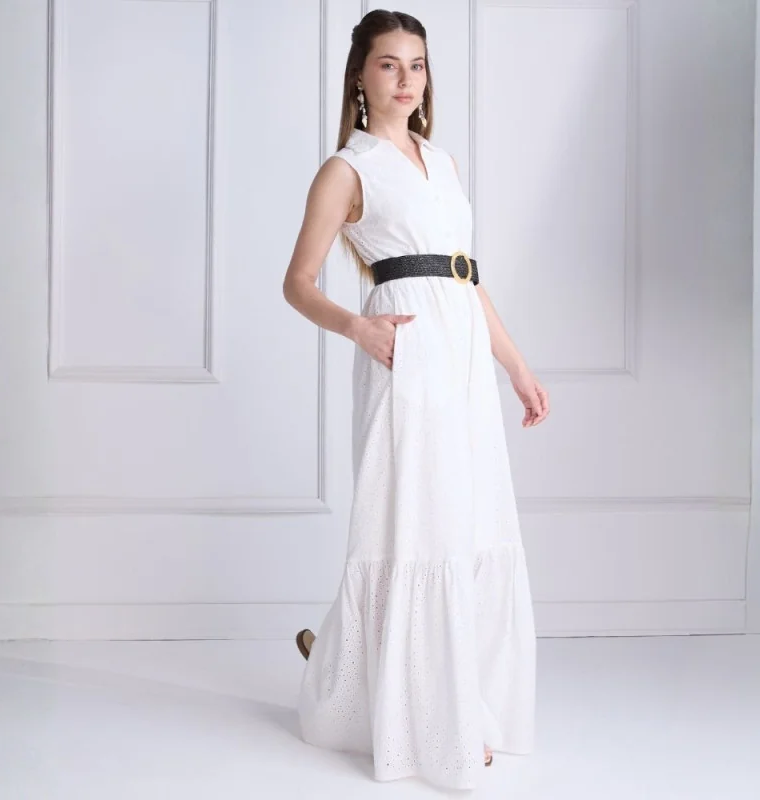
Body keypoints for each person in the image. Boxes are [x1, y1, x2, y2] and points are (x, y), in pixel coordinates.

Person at [282, 9, 549, 791]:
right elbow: (297, 282)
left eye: (418, 64)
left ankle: (441, 696)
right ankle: (425, 716)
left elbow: (465, 277)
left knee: (468, 521)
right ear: (360, 77)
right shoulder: (347, 169)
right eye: (390, 64)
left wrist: (516, 367)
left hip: (462, 355)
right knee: (414, 525)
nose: (407, 79)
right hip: (404, 354)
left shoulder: (443, 161)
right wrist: (357, 327)